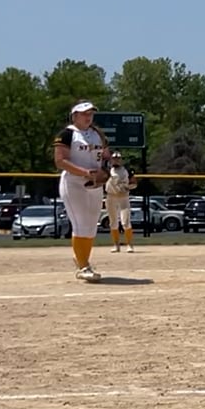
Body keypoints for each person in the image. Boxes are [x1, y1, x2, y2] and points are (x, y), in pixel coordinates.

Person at [53, 100, 109, 281]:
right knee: (80, 223)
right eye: (84, 113)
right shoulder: (67, 134)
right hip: (74, 182)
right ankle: (83, 266)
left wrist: (104, 172)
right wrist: (85, 172)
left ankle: (82, 259)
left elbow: (106, 157)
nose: (88, 117)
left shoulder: (97, 134)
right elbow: (60, 161)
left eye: (90, 113)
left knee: (91, 225)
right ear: (74, 115)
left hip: (95, 184)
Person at [104, 151, 138, 253]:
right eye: (114, 159)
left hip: (123, 197)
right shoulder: (107, 170)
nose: (116, 160)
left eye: (118, 158)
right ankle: (116, 245)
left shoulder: (127, 170)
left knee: (126, 221)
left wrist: (128, 187)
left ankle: (129, 244)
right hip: (111, 196)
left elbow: (134, 183)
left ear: (121, 160)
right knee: (113, 222)